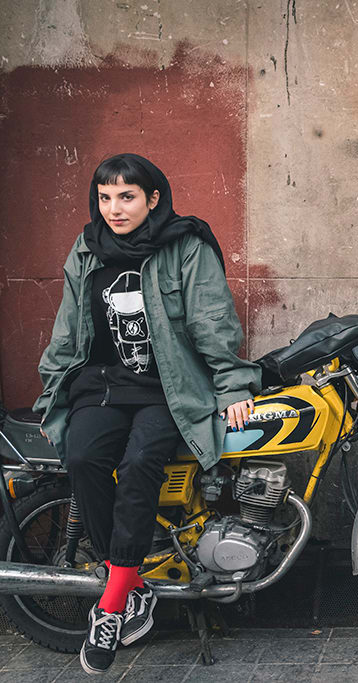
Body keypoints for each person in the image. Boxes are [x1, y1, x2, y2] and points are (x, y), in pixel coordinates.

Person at [33, 153, 261, 674]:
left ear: (153, 198)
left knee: (139, 467)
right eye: (105, 197)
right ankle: (133, 588)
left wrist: (231, 387)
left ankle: (112, 605)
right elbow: (67, 329)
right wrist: (54, 397)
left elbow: (211, 319)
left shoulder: (186, 244)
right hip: (103, 388)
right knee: (84, 456)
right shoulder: (87, 247)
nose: (114, 208)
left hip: (167, 390)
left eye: (127, 197)